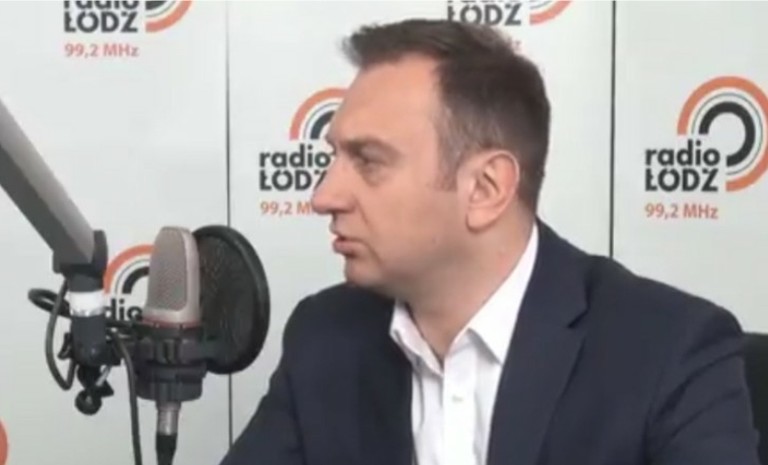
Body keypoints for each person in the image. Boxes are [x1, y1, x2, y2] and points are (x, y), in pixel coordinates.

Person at [219, 18, 760, 465]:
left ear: (485, 188)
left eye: (368, 161)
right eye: (333, 157)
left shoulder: (669, 350)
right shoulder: (325, 337)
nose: (324, 196)